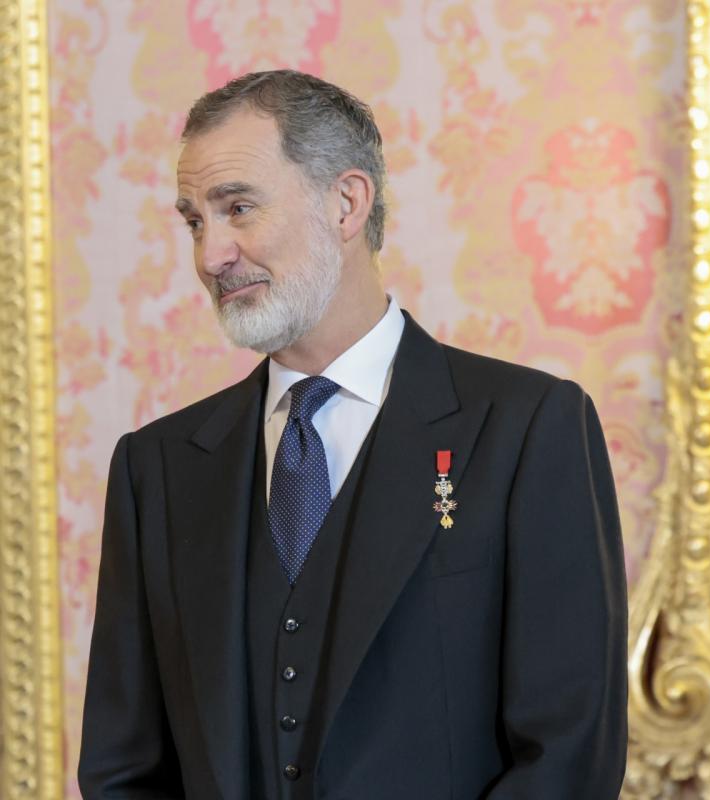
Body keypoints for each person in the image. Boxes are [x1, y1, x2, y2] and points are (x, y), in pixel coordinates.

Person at [78, 70, 628, 799]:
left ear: (346, 203)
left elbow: (569, 754)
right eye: (195, 222)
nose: (211, 256)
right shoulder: (157, 468)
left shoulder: (529, 427)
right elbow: (122, 769)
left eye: (238, 208)